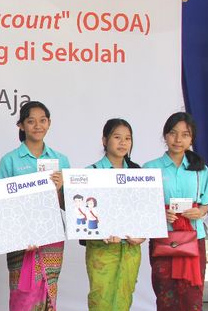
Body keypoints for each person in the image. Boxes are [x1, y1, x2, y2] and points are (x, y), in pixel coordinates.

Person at [0, 101, 69, 311]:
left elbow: (69, 205)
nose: (38, 126)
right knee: (23, 294)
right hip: (20, 237)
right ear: (21, 125)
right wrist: (20, 234)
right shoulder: (9, 160)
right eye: (31, 121)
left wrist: (60, 188)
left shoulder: (61, 159)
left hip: (52, 235)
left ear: (49, 123)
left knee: (49, 291)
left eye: (42, 120)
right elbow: (1, 205)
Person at [144, 112, 208, 310]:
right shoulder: (150, 169)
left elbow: (205, 203)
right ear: (165, 135)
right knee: (165, 294)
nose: (178, 139)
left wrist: (200, 212)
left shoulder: (200, 169)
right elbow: (142, 207)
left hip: (193, 239)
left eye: (185, 134)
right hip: (164, 238)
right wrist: (159, 212)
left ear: (192, 138)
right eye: (173, 133)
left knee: (192, 296)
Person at [84, 118, 144, 311]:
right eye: (117, 137)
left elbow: (145, 211)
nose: (123, 142)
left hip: (130, 248)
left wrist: (142, 235)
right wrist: (100, 232)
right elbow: (82, 215)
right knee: (101, 298)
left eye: (127, 138)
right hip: (102, 248)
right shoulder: (89, 174)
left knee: (124, 297)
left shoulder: (137, 173)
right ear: (104, 140)